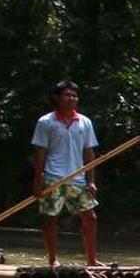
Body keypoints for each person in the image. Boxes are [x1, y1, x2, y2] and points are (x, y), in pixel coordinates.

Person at [31, 80, 102, 267]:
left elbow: (89, 152)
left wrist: (91, 180)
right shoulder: (46, 122)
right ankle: (53, 259)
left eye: (74, 95)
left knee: (90, 217)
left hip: (77, 178)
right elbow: (40, 152)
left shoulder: (85, 122)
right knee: (50, 217)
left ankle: (92, 260)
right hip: (53, 177)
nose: (71, 98)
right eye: (67, 95)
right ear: (57, 98)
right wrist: (38, 181)